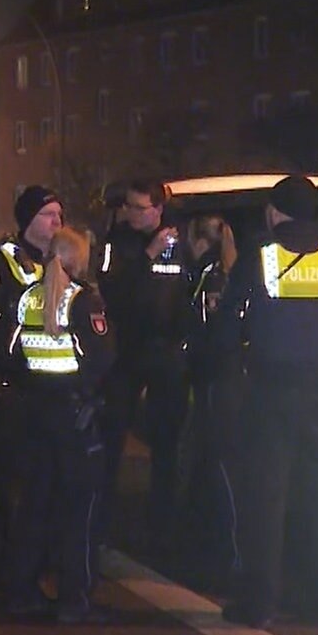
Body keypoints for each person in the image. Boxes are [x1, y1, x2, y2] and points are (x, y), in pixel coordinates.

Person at [218, 175, 318, 629]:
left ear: (275, 213)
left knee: (266, 499)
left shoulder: (261, 257)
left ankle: (259, 604)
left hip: (271, 391)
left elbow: (229, 323)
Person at [0, 228, 117, 623]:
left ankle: (21, 591)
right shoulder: (84, 301)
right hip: (74, 419)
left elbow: (10, 354)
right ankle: (74, 600)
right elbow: (102, 360)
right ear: (78, 260)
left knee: (33, 507)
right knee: (78, 513)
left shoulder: (27, 297)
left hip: (33, 416)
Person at [0, 185, 63, 588]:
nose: (57, 222)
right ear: (28, 221)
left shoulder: (63, 261)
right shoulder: (1, 265)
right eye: (48, 215)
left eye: (60, 214)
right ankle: (4, 560)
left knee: (49, 481)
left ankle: (42, 556)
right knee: (9, 484)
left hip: (54, 394)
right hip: (16, 392)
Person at [94, 176, 191, 552]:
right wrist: (148, 254)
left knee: (166, 444)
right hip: (127, 351)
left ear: (158, 209)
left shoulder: (181, 240)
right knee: (111, 437)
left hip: (167, 353)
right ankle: (99, 521)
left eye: (139, 207)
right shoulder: (116, 242)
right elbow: (112, 290)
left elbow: (191, 288)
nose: (131, 213)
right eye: (129, 206)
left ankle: (162, 528)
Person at [184, 214, 243, 586]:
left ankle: (217, 546)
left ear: (201, 243)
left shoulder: (213, 278)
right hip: (224, 379)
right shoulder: (227, 273)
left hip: (216, 380)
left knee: (213, 463)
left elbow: (208, 332)